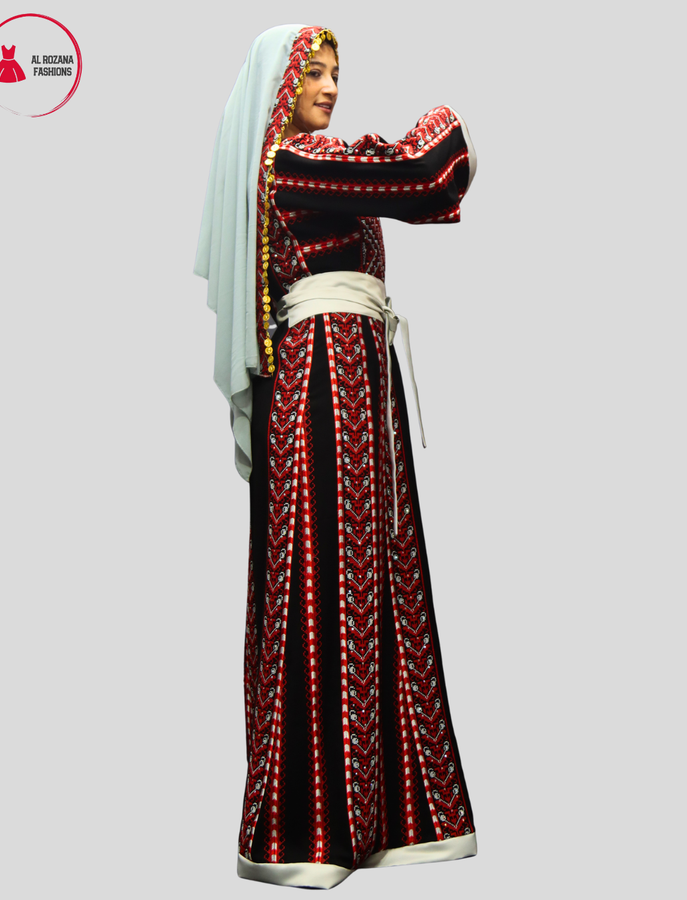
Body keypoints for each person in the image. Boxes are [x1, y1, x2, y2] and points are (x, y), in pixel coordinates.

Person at [194, 24, 478, 890]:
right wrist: (447, 116)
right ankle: (309, 831)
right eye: (312, 73)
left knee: (374, 575)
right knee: (323, 582)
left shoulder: (312, 166)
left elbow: (418, 187)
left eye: (336, 72)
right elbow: (426, 174)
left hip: (357, 385)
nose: (329, 87)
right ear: (278, 88)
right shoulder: (290, 162)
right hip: (322, 389)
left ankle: (388, 820)